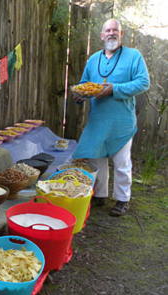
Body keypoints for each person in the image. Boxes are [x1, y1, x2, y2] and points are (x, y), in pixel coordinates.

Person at [73, 19, 150, 216]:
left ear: (121, 34)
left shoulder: (133, 56)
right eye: (108, 30)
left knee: (121, 161)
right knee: (97, 158)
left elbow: (143, 83)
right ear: (101, 35)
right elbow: (84, 84)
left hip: (121, 120)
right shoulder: (93, 59)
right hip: (98, 119)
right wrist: (79, 95)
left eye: (115, 30)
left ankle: (122, 199)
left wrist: (114, 89)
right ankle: (99, 195)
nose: (112, 33)